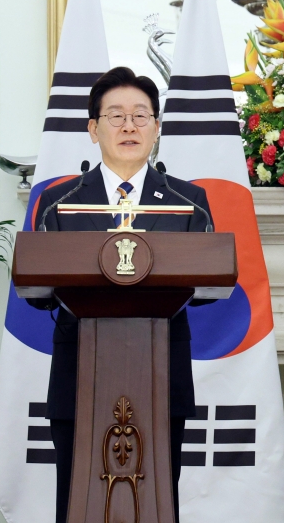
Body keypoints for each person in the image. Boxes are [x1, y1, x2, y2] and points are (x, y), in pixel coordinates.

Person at [30, 66, 213, 523]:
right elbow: (38, 293)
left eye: (140, 116)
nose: (129, 126)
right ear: (92, 129)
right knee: (77, 498)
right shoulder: (60, 203)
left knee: (154, 499)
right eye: (115, 116)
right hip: (79, 377)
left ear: (157, 127)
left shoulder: (188, 202)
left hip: (162, 374)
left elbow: (209, 286)